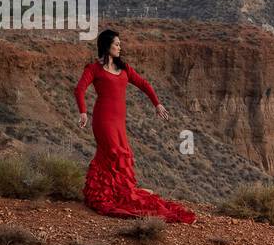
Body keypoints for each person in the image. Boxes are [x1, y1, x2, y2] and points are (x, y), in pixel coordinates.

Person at [74, 29, 195, 223]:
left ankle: (119, 192)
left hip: (119, 122)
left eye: (120, 44)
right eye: (116, 44)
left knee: (122, 154)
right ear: (106, 46)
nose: (120, 47)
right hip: (103, 120)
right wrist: (82, 111)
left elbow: (145, 84)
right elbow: (79, 89)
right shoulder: (93, 69)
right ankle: (107, 195)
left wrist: (157, 104)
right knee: (112, 152)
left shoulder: (125, 69)